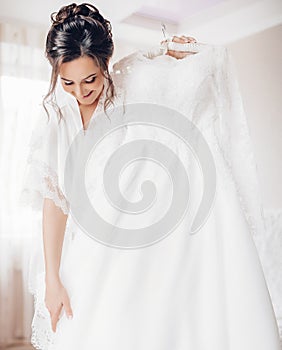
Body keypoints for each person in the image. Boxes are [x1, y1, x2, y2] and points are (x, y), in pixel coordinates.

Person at [19, 2, 281, 350]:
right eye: (68, 82)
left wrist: (179, 56)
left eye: (90, 80)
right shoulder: (55, 116)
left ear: (106, 64)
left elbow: (175, 97)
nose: (81, 92)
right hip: (89, 248)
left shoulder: (128, 93)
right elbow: (54, 201)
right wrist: (53, 278)